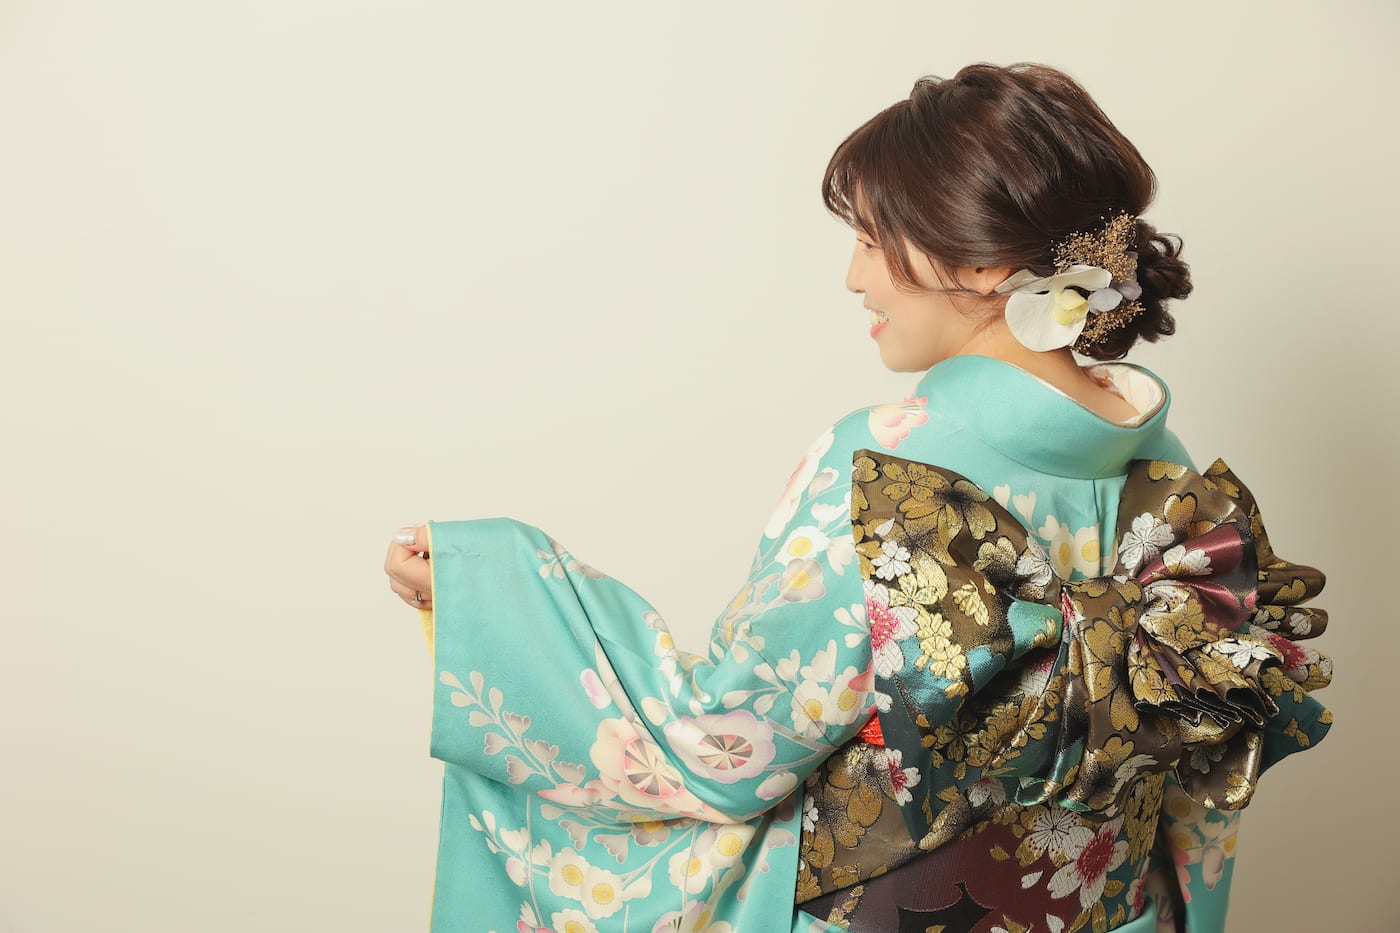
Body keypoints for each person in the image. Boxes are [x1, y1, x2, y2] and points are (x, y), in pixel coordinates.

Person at [383, 62, 1332, 933]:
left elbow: (727, 741)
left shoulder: (887, 468)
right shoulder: (1178, 485)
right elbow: (1203, 785)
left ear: (983, 264)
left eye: (877, 240)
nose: (855, 276)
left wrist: (483, 592)